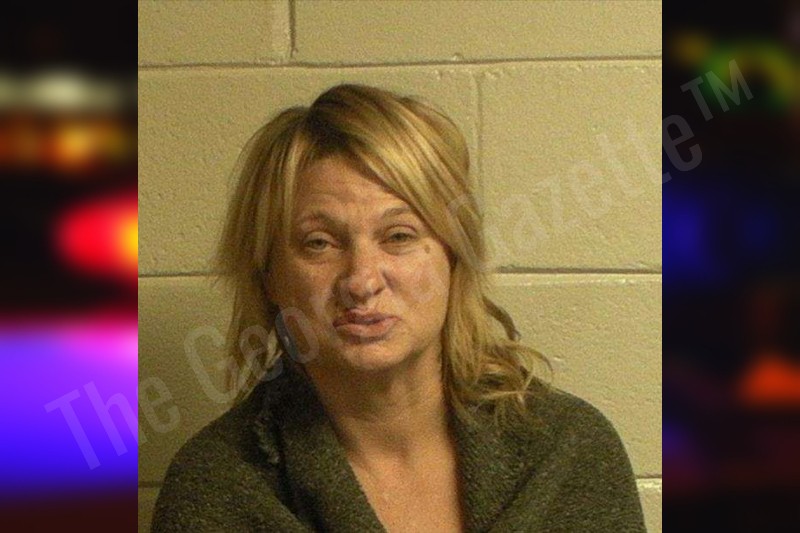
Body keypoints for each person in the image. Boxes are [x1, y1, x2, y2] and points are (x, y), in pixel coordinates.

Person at [151, 84, 646, 532]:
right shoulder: (218, 488)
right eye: (319, 243)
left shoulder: (568, 453)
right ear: (269, 275)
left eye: (399, 236)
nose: (362, 281)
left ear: (454, 256)